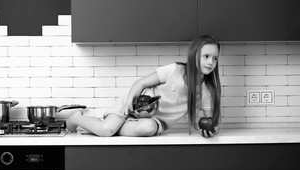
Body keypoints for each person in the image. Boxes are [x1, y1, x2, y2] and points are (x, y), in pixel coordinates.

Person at [66, 35, 221, 138]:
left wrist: (208, 130)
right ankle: (76, 118)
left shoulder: (206, 92)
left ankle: (102, 127)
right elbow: (140, 83)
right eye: (206, 56)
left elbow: (211, 121)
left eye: (215, 58)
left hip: (152, 122)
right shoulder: (175, 69)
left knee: (148, 129)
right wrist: (127, 103)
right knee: (106, 130)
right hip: (133, 106)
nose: (210, 62)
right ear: (194, 55)